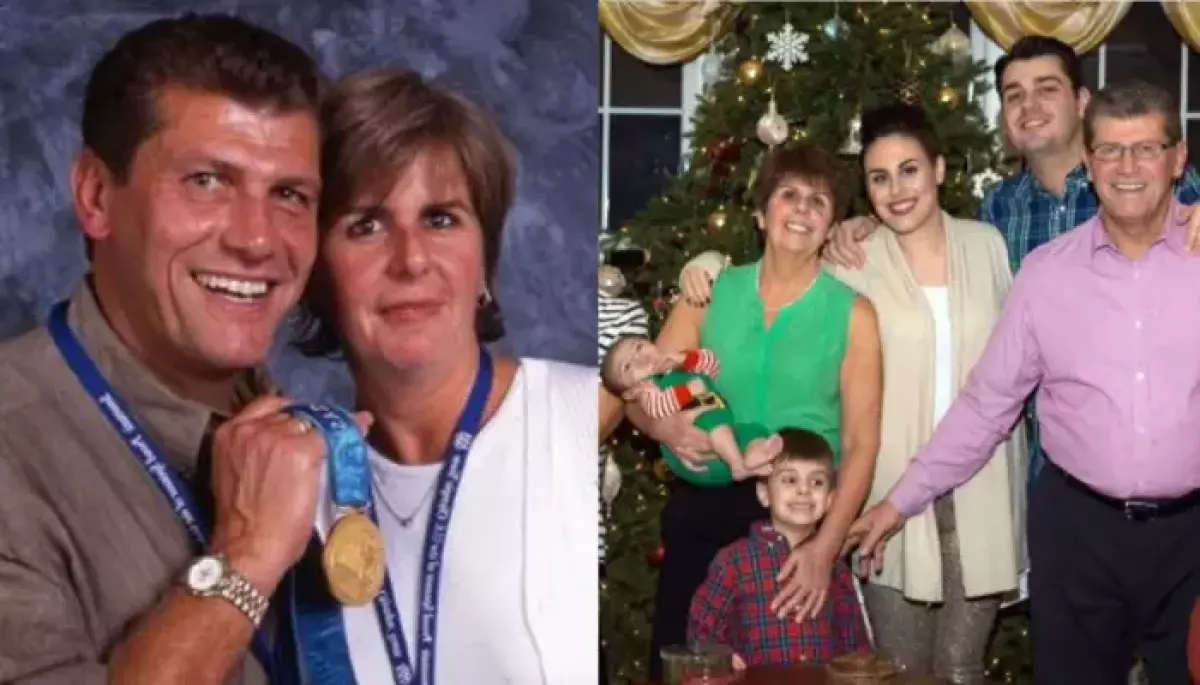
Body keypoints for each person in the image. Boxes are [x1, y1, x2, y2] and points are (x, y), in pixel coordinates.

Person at [0, 15, 333, 684]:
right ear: (96, 196)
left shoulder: (316, 442)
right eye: (207, 181)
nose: (258, 240)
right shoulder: (13, 451)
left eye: (289, 194)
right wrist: (246, 555)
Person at [848, 80, 1200, 685]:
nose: (1128, 167)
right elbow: (987, 406)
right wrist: (897, 503)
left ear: (1178, 158)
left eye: (1146, 148)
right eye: (1111, 151)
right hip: (1078, 533)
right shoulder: (1044, 275)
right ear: (1088, 162)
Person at [679, 104, 1025, 682]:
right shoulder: (855, 262)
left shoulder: (987, 246)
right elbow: (781, 270)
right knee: (898, 668)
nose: (897, 189)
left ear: (939, 170)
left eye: (910, 170)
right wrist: (709, 260)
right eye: (879, 178)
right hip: (888, 493)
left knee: (963, 667)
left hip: (982, 484)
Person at [290, 68, 597, 684]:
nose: (409, 259)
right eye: (366, 225)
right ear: (319, 273)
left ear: (484, 263)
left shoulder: (581, 418)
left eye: (440, 218)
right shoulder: (290, 485)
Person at [823, 36, 1200, 496]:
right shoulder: (996, 213)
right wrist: (865, 224)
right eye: (1014, 95)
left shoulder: (1151, 184)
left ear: (1082, 101)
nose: (1030, 105)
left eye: (1046, 89)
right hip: (1043, 473)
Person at [605, 143, 882, 681]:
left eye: (819, 201)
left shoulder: (854, 315)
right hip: (701, 518)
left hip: (795, 528)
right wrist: (666, 424)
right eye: (789, 195)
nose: (802, 209)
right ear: (760, 213)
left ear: (831, 225)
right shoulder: (707, 296)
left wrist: (825, 551)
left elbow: (862, 445)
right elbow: (638, 393)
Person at [687, 428, 868, 669]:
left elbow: (855, 646)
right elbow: (701, 630)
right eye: (790, 480)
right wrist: (722, 657)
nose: (804, 490)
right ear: (764, 494)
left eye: (816, 482)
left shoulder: (835, 567)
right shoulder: (734, 562)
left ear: (830, 499)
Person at [601, 335, 780, 482]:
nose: (639, 358)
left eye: (638, 347)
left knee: (750, 430)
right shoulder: (646, 390)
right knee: (715, 425)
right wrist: (687, 391)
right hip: (699, 441)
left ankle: (755, 452)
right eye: (627, 366)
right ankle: (737, 465)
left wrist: (684, 359)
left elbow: (711, 364)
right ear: (629, 394)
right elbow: (659, 407)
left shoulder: (676, 363)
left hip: (722, 421)